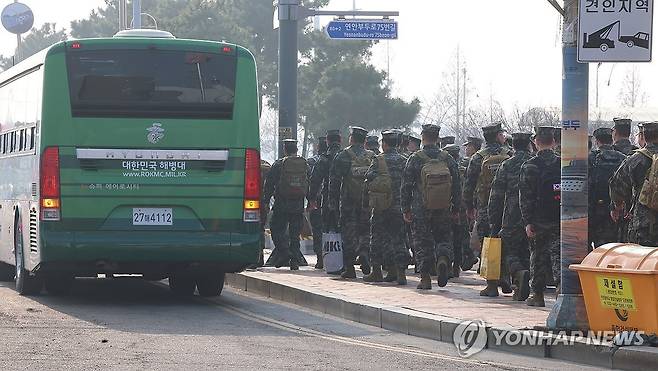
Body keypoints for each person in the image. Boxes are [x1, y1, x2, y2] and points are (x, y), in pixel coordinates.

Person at [401, 124, 461, 290]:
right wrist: (456, 208)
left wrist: (405, 208)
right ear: (437, 138)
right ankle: (443, 259)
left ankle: (425, 278)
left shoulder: (415, 158)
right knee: (443, 237)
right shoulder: (447, 158)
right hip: (443, 207)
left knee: (422, 242)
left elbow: (406, 185)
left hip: (421, 208)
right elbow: (457, 185)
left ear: (422, 137)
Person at [487, 133, 534, 300]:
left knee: (508, 249)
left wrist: (493, 219)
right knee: (528, 250)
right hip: (535, 216)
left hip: (511, 216)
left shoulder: (507, 165)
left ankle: (518, 272)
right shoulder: (535, 162)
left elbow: (496, 195)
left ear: (513, 146)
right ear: (529, 144)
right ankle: (522, 283)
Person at [519, 127, 561, 307]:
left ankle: (537, 295)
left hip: (538, 218)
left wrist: (527, 221)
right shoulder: (563, 163)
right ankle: (561, 288)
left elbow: (525, 197)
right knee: (559, 254)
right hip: (560, 217)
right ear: (554, 142)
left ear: (536, 142)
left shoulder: (529, 166)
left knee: (538, 255)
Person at [363, 130, 408, 285]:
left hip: (381, 205)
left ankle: (376, 271)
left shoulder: (378, 159)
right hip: (398, 206)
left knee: (377, 238)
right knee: (399, 239)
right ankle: (400, 272)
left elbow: (368, 178)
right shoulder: (404, 160)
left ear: (385, 144)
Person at [330, 126, 375, 278]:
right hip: (367, 202)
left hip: (348, 202)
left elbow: (334, 182)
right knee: (366, 231)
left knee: (348, 234)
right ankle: (364, 253)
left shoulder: (343, 155)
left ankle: (349, 268)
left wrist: (333, 204)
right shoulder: (371, 156)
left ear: (351, 138)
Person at [263, 139, 311, 270]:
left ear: (285, 149)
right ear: (296, 149)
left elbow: (269, 184)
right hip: (298, 205)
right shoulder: (304, 164)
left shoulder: (279, 164)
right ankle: (294, 261)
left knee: (276, 228)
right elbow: (309, 184)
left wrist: (266, 201)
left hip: (281, 204)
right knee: (295, 234)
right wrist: (311, 200)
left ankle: (284, 252)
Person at [463, 123, 512, 247]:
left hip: (484, 208)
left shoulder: (477, 157)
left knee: (486, 244)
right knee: (508, 245)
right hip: (508, 208)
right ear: (497, 136)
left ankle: (488, 265)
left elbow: (468, 186)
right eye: (501, 134)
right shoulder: (510, 155)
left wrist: (469, 207)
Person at [611, 122, 658, 245]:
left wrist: (617, 206)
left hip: (644, 225)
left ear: (644, 137)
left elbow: (616, 185)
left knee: (642, 261)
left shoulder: (636, 159)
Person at [588, 128, 626, 250]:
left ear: (597, 141)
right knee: (615, 247)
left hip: (594, 210)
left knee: (596, 250)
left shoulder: (590, 158)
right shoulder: (623, 158)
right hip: (618, 209)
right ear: (611, 139)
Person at [443, 144, 469, 277]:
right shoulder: (465, 167)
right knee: (459, 237)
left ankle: (447, 264)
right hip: (462, 207)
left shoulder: (446, 167)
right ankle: (456, 266)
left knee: (447, 237)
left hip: (446, 205)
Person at [308, 136, 328, 269]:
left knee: (317, 229)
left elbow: (313, 182)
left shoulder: (313, 161)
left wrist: (310, 199)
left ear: (318, 147)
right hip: (336, 201)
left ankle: (320, 259)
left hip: (318, 201)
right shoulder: (339, 157)